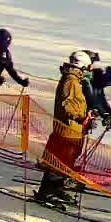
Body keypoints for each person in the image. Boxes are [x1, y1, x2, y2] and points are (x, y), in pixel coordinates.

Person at [33, 51, 93, 208]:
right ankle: (46, 192)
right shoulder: (71, 81)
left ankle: (57, 188)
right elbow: (67, 106)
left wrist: (86, 115)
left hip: (73, 130)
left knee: (66, 162)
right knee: (59, 161)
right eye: (87, 68)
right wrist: (81, 117)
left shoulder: (75, 80)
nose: (88, 72)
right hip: (67, 129)